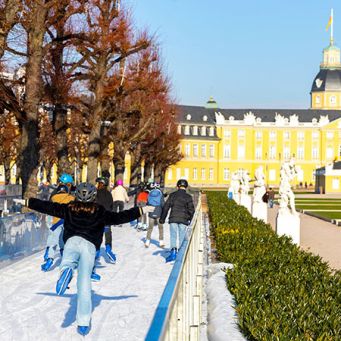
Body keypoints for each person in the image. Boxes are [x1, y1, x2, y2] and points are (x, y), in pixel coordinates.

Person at [14, 183, 154, 336]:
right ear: (93, 196)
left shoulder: (69, 208)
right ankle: (83, 323)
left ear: (77, 195)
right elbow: (120, 217)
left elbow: (48, 207)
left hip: (71, 242)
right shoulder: (100, 211)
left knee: (68, 260)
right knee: (84, 285)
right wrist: (140, 210)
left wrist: (27, 202)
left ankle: (66, 271)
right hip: (90, 247)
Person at [41, 184, 75, 271]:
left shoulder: (53, 198)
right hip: (67, 221)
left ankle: (49, 259)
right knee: (64, 240)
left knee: (54, 241)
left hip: (56, 222)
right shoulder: (71, 198)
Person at [159, 179, 195, 262]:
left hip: (173, 218)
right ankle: (181, 254)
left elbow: (166, 207)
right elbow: (191, 210)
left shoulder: (172, 195)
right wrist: (191, 219)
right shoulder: (188, 197)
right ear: (186, 187)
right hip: (184, 219)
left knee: (173, 235)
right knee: (182, 235)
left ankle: (173, 253)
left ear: (178, 186)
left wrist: (162, 218)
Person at [95, 176, 116, 267]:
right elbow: (112, 206)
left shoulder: (96, 193)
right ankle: (108, 248)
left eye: (98, 183)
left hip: (97, 218)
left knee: (97, 235)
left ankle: (97, 252)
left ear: (101, 184)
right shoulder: (109, 194)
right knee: (108, 233)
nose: (97, 185)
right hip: (107, 217)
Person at [144, 182, 165, 248]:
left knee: (150, 227)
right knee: (160, 227)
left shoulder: (150, 193)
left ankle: (147, 241)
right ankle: (161, 242)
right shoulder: (160, 193)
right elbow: (162, 203)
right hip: (159, 211)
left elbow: (147, 203)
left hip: (151, 211)